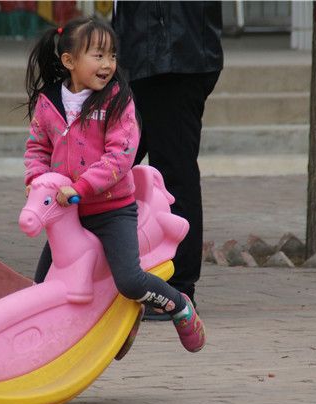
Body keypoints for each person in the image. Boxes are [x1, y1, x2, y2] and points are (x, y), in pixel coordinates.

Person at [23, 16, 206, 352]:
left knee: (129, 280)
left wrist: (81, 188)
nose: (108, 65)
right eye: (98, 56)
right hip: (68, 214)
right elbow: (37, 147)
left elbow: (121, 155)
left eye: (112, 56)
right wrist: (38, 182)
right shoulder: (49, 103)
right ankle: (51, 346)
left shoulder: (117, 100)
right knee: (42, 285)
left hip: (111, 210)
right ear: (69, 61)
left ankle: (178, 304)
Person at [113, 2, 224, 319]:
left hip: (171, 55)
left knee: (173, 174)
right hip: (153, 53)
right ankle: (107, 277)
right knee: (115, 168)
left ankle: (177, 289)